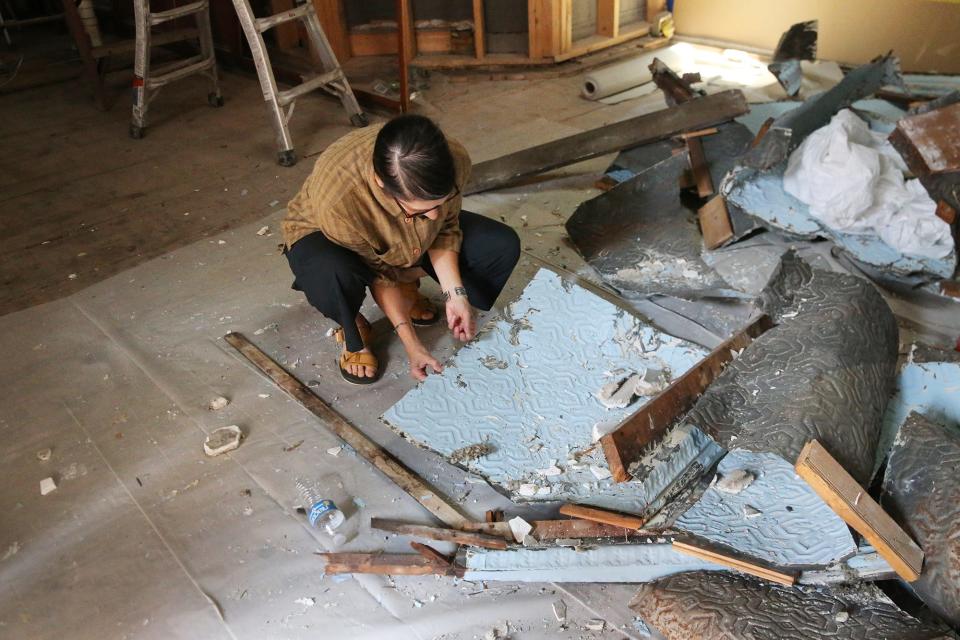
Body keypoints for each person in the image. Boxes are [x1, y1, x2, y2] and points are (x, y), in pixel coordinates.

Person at [282, 114, 521, 385]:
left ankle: (407, 286)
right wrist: (411, 344)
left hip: (400, 237)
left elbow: (445, 227)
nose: (434, 216)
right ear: (382, 184)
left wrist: (456, 294)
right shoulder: (339, 202)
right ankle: (353, 330)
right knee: (332, 275)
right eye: (422, 209)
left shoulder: (452, 160)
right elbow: (377, 273)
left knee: (499, 245)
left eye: (441, 203)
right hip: (326, 236)